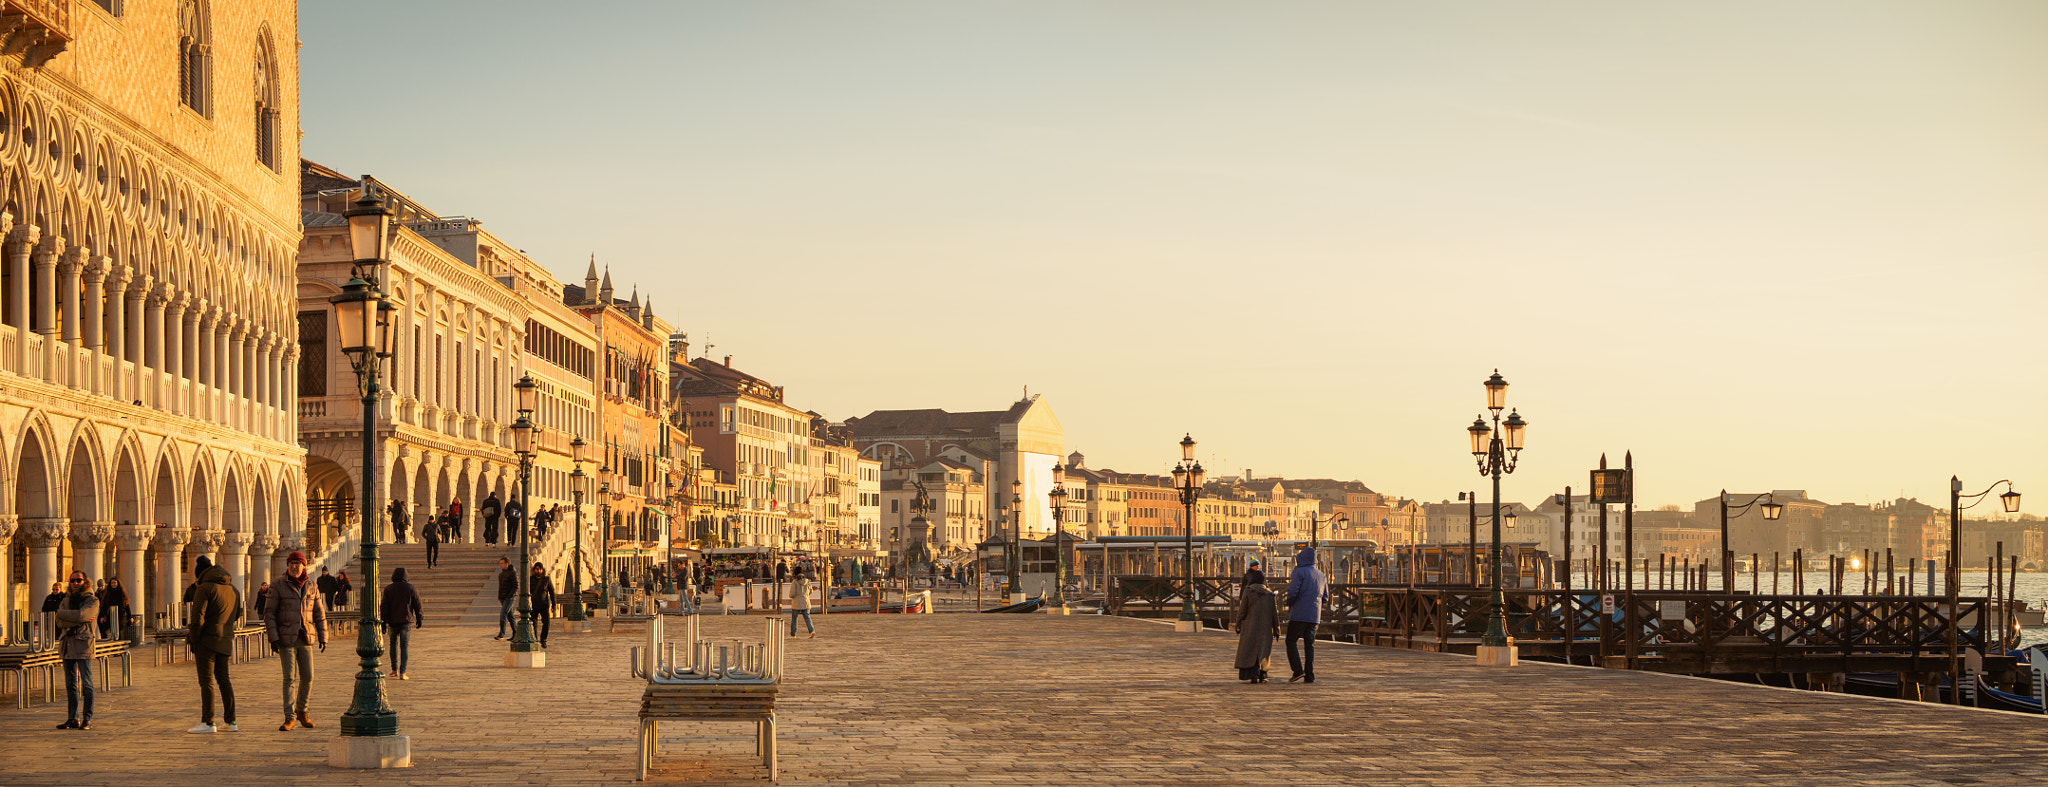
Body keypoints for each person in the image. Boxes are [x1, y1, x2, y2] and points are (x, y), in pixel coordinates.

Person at [264, 551, 327, 731]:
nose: (294, 567)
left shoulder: (311, 585)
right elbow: (269, 614)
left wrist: (323, 636)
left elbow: (318, 613)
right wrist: (274, 637)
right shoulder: (278, 585)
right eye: (291, 563)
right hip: (286, 638)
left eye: (297, 564)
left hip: (305, 636)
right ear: (287, 566)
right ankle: (289, 716)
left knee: (308, 676)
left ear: (303, 566)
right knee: (289, 677)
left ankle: (302, 710)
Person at [186, 555, 242, 733]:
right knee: (224, 680)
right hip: (225, 639)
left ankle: (208, 721)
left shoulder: (205, 588)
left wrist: (194, 639)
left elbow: (197, 618)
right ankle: (231, 721)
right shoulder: (233, 589)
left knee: (206, 681)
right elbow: (237, 614)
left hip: (207, 640)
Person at [52, 570, 99, 730]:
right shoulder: (66, 600)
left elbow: (81, 615)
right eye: (72, 580)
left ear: (84, 581)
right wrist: (71, 618)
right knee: (70, 683)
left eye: (78, 580)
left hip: (83, 645)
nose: (75, 583)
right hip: (67, 645)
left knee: (87, 683)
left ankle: (87, 718)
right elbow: (59, 621)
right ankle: (72, 718)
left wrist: (66, 616)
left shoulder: (92, 600)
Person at [1283, 547, 1327, 684]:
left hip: (1299, 614)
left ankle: (1297, 670)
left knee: (1290, 641)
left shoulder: (1299, 572)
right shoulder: (1321, 575)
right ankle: (1310, 675)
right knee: (1310, 645)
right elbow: (1325, 597)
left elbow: (1293, 591)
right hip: (1315, 616)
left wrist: (1288, 603)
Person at [1234, 566, 1278, 683]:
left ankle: (1253, 674)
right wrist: (1277, 629)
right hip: (1266, 628)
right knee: (1263, 651)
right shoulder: (1270, 595)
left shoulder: (1248, 591)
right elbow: (1274, 614)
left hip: (1250, 626)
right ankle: (1263, 674)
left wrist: (1238, 624)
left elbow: (1242, 611)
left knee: (1251, 650)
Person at [380, 566, 423, 680]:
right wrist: (419, 617)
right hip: (406, 620)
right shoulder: (411, 588)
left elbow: (384, 607)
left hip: (393, 621)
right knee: (404, 646)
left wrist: (383, 622)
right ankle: (403, 672)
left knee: (393, 645)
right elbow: (417, 604)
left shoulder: (389, 589)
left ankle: (394, 670)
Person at [529, 562, 554, 647]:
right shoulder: (530, 579)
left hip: (544, 604)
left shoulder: (546, 579)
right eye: (537, 569)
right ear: (534, 570)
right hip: (534, 605)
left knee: (546, 622)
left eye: (540, 569)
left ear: (542, 570)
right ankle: (535, 639)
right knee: (533, 623)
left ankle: (543, 639)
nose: (538, 571)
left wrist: (554, 604)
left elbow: (552, 592)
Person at [494, 557, 517, 640]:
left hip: (509, 598)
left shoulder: (512, 573)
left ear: (507, 564)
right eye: (500, 563)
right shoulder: (501, 574)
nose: (500, 565)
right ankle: (516, 633)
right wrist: (500, 597)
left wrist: (509, 595)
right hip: (503, 598)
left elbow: (515, 586)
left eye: (502, 563)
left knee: (503, 614)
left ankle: (501, 634)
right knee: (510, 616)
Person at [789, 569, 816, 639]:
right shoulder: (807, 581)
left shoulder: (795, 582)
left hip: (796, 603)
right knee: (807, 617)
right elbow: (811, 591)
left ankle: (793, 634)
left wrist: (790, 595)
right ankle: (811, 631)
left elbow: (792, 593)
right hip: (806, 602)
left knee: (794, 619)